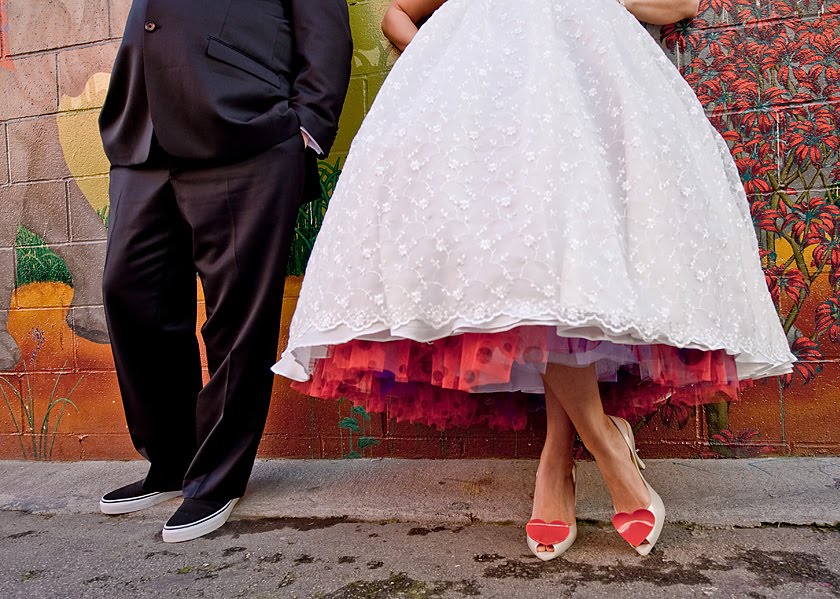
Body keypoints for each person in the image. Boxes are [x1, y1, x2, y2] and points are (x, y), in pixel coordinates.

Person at [274, 0, 795, 558]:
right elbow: (397, 13)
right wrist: (437, 57)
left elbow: (679, 5)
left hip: (584, 99)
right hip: (491, 116)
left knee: (563, 277)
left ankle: (556, 463)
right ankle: (605, 445)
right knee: (527, 278)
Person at [97, 0, 352, 543]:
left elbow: (323, 25)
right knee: (128, 294)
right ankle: (172, 461)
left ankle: (216, 480)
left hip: (245, 130)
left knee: (236, 318)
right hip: (143, 132)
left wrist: (306, 127)